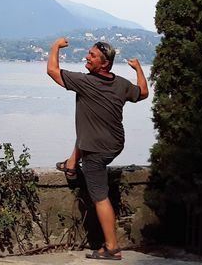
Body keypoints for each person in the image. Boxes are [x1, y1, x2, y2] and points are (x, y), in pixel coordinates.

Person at [46, 37, 148, 261]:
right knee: (87, 125)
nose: (86, 57)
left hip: (96, 152)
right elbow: (142, 92)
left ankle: (112, 247)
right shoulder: (121, 84)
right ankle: (72, 164)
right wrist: (139, 68)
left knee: (100, 197)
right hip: (115, 143)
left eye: (92, 56)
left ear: (104, 64)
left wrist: (55, 46)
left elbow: (52, 70)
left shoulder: (84, 82)